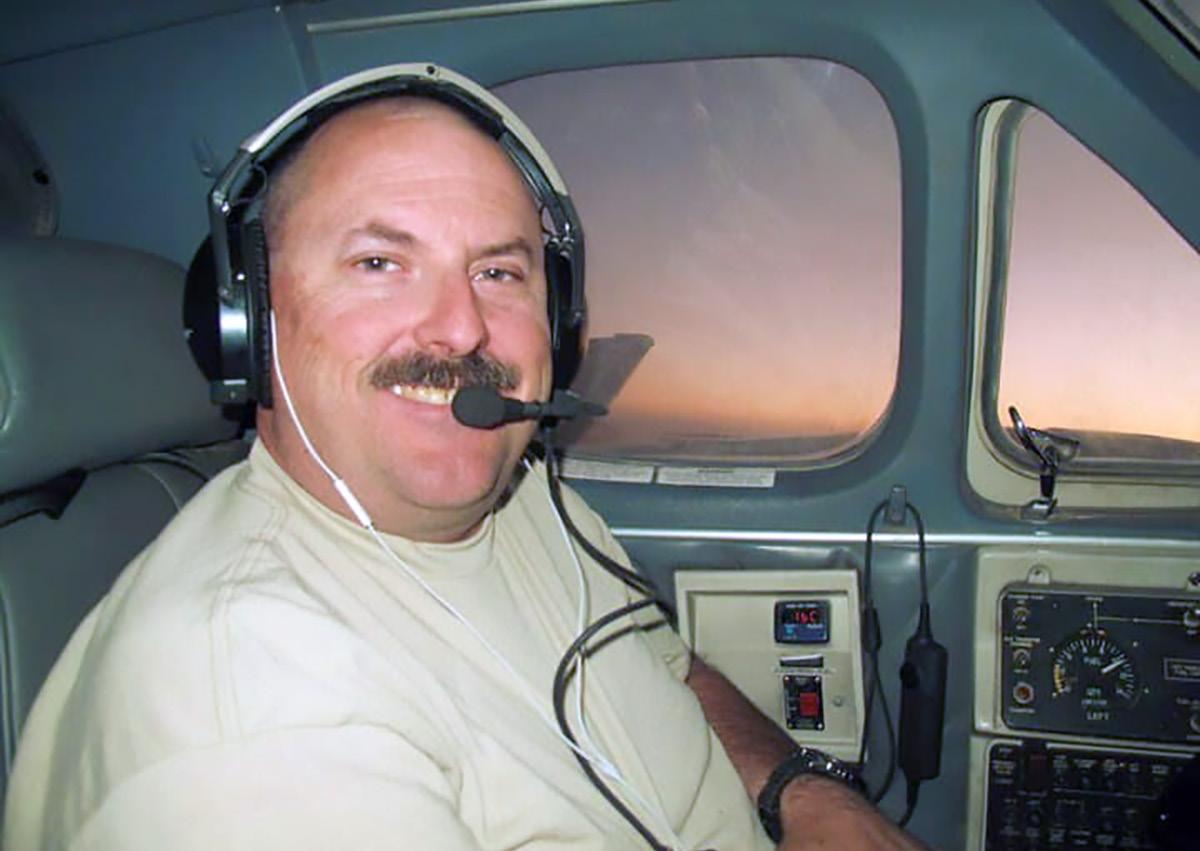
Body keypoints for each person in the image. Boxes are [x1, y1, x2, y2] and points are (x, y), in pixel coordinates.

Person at [4, 67, 924, 850]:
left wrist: (803, 793)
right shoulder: (246, 708)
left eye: (498, 271)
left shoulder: (528, 500)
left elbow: (671, 671)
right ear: (247, 323)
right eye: (379, 262)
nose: (461, 327)